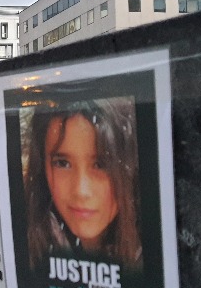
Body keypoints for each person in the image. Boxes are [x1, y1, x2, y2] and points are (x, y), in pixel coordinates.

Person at [24, 98, 141, 272]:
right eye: (62, 163)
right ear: (42, 167)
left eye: (101, 165)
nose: (81, 191)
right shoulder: (25, 241)